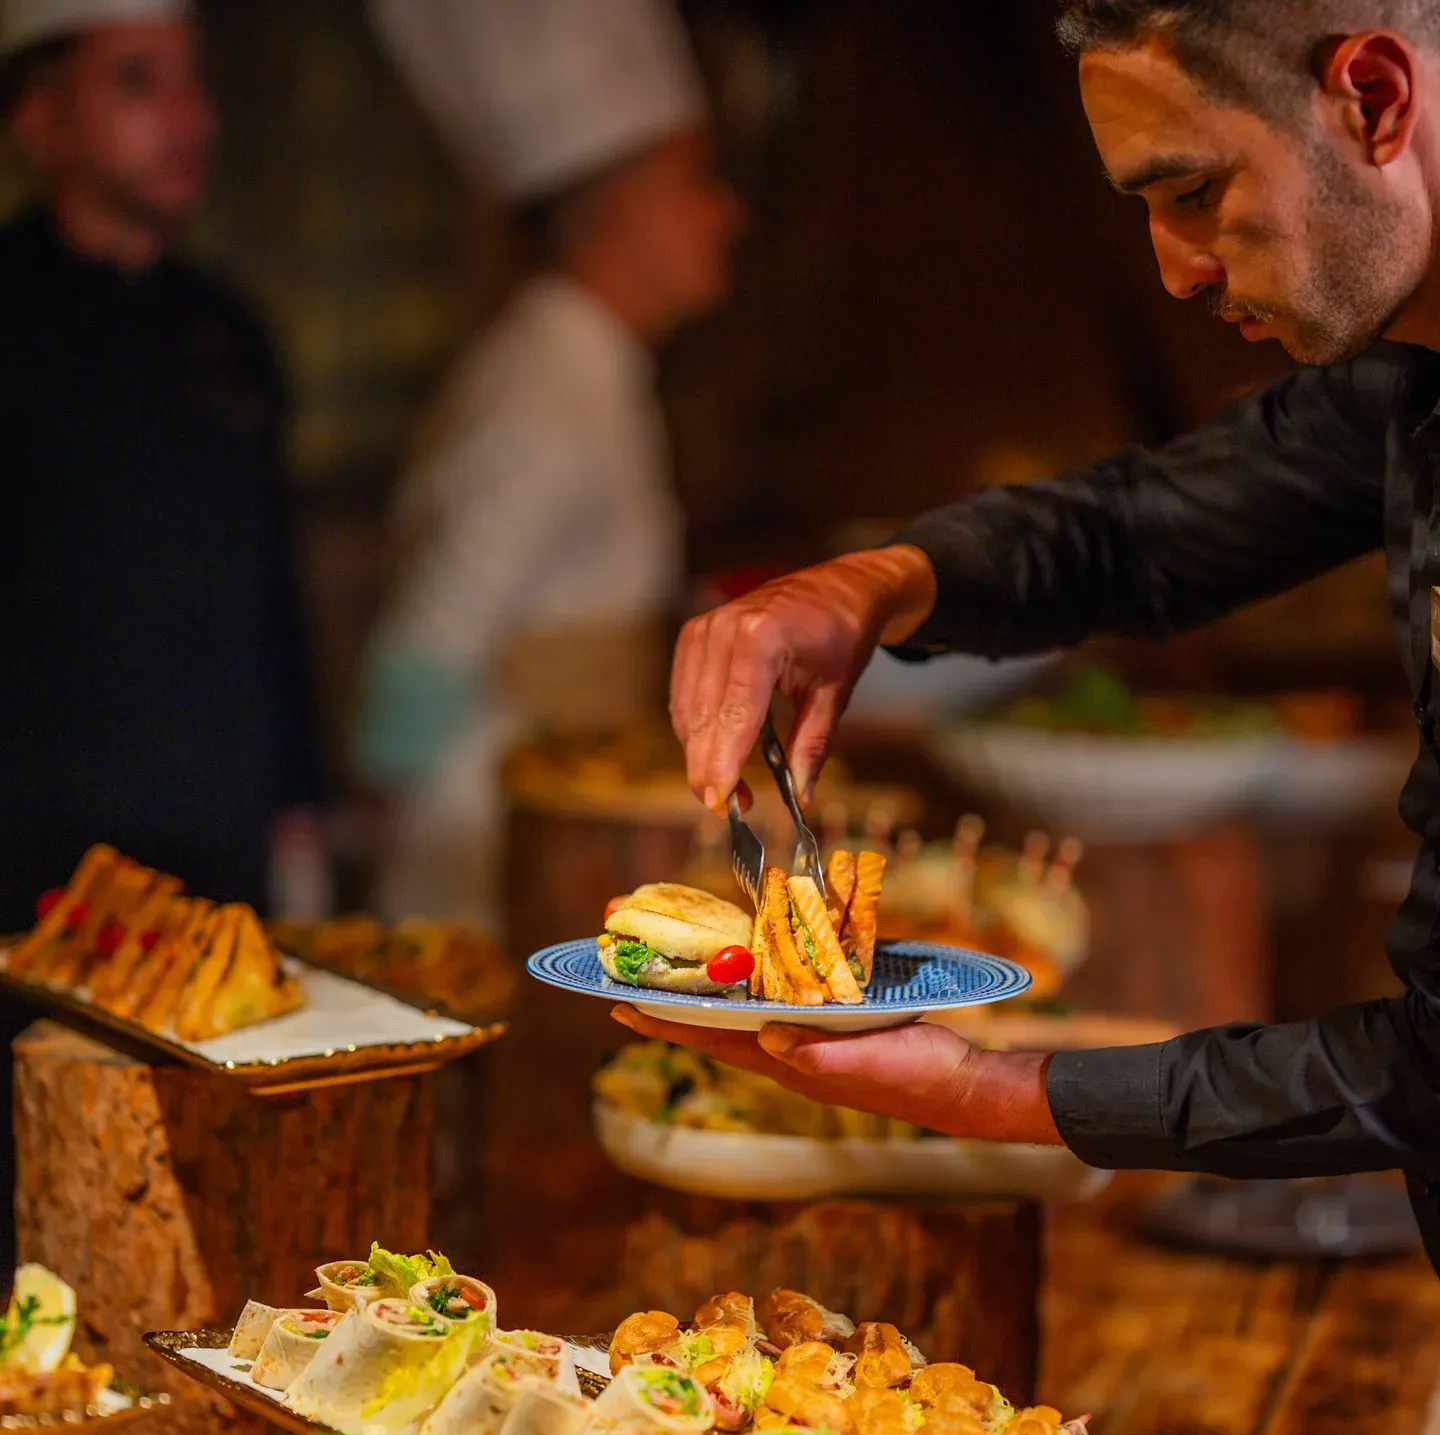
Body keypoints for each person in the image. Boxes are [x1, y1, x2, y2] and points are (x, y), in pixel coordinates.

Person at [627, 0, 1440, 1275]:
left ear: (1377, 100)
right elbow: (1154, 524)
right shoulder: (1411, 377)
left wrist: (990, 1092)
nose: (1175, 269)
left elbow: (1431, 1066)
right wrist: (879, 587)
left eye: (1195, 191)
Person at [0, 0, 325, 1271]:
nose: (188, 118)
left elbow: (273, 598)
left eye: (192, 81)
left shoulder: (230, 330)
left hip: (213, 877)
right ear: (42, 119)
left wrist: (300, 814)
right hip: (25, 876)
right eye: (139, 83)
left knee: (210, 1230)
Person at [361, 0, 744, 925]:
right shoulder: (541, 389)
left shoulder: (597, 368)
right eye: (695, 180)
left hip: (560, 834)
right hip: (482, 858)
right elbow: (414, 668)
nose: (726, 214)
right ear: (614, 208)